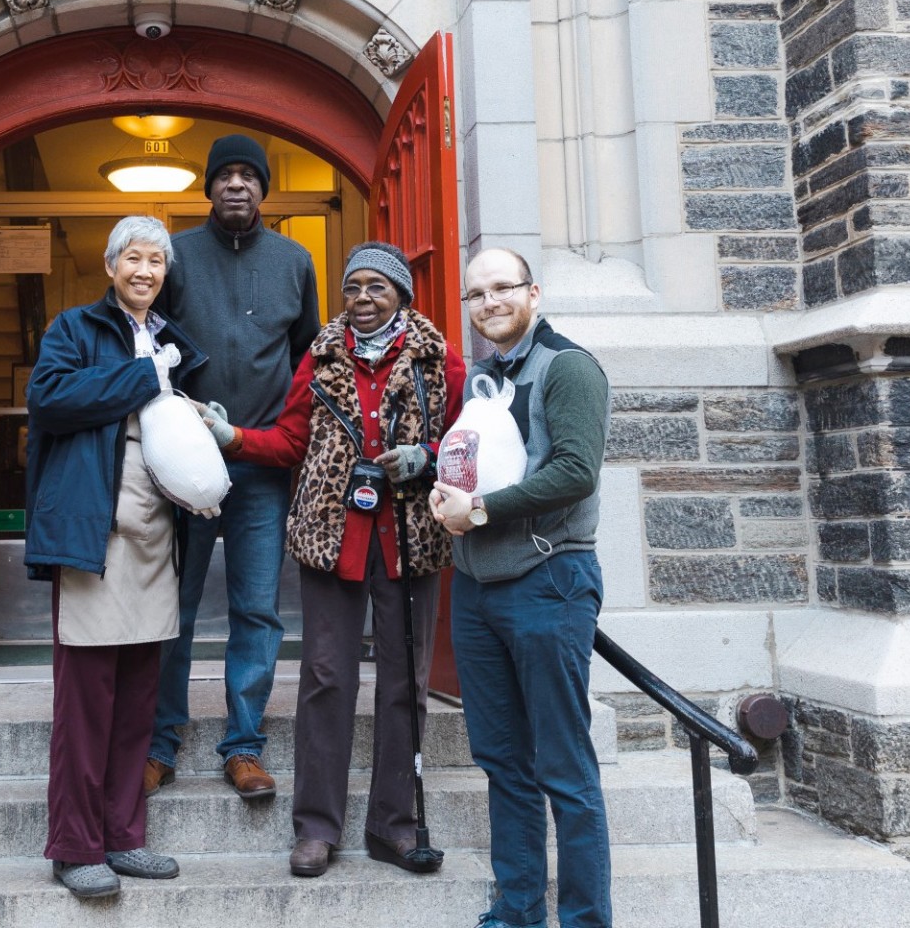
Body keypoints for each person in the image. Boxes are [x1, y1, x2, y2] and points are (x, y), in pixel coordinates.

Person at [202, 242, 465, 878]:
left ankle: (394, 825)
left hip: (409, 541)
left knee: (405, 683)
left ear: (401, 294)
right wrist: (232, 436)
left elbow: (462, 441)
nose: (363, 300)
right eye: (353, 288)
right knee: (325, 680)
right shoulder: (319, 359)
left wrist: (427, 455)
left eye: (377, 287)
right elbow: (292, 438)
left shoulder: (440, 362)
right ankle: (317, 828)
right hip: (332, 540)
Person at [428, 248, 613, 928]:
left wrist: (476, 512)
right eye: (476, 294)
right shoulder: (481, 376)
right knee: (503, 762)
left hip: (548, 582)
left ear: (533, 292)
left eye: (502, 288)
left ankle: (587, 920)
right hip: (477, 588)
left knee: (563, 768)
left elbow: (573, 473)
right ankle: (518, 911)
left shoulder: (568, 367)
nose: (488, 303)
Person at [24, 216, 203, 901]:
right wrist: (141, 377)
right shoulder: (74, 329)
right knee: (87, 700)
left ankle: (125, 836)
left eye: (157, 261)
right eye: (134, 258)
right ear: (110, 266)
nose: (145, 271)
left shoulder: (174, 340)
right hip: (91, 533)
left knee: (136, 701)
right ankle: (75, 846)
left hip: (157, 532)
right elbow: (51, 399)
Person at [148, 134, 320, 801]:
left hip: (261, 465)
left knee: (256, 610)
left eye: (250, 175)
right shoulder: (177, 257)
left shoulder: (295, 261)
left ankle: (243, 747)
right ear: (209, 188)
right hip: (182, 467)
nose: (238, 186)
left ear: (265, 188)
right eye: (226, 175)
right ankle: (160, 742)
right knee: (175, 608)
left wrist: (283, 436)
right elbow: (150, 347)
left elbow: (307, 358)